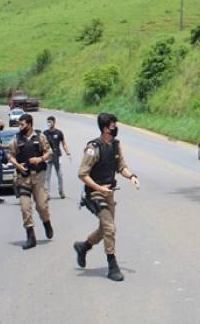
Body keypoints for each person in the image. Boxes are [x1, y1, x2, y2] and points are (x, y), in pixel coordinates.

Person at [74, 113, 139, 282]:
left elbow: (121, 166)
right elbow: (82, 174)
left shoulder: (116, 145)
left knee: (105, 229)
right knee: (110, 228)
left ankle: (83, 246)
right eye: (113, 126)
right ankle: (112, 266)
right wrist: (98, 188)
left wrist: (131, 176)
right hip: (95, 194)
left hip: (109, 192)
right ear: (105, 129)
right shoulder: (93, 147)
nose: (116, 128)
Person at [6, 113, 54, 250]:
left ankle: (46, 222)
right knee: (25, 207)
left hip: (38, 176)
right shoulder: (16, 138)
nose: (20, 127)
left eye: (22, 124)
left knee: (42, 206)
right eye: (19, 124)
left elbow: (49, 152)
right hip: (23, 177)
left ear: (30, 124)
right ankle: (30, 236)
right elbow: (9, 154)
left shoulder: (40, 136)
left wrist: (39, 159)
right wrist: (17, 165)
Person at [44, 116, 71, 199]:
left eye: (50, 122)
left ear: (54, 122)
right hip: (48, 157)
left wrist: (68, 153)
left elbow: (64, 143)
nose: (49, 123)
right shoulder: (45, 133)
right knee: (47, 176)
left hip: (57, 156)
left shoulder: (59, 133)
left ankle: (61, 192)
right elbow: (42, 145)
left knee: (60, 175)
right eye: (48, 122)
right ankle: (46, 194)